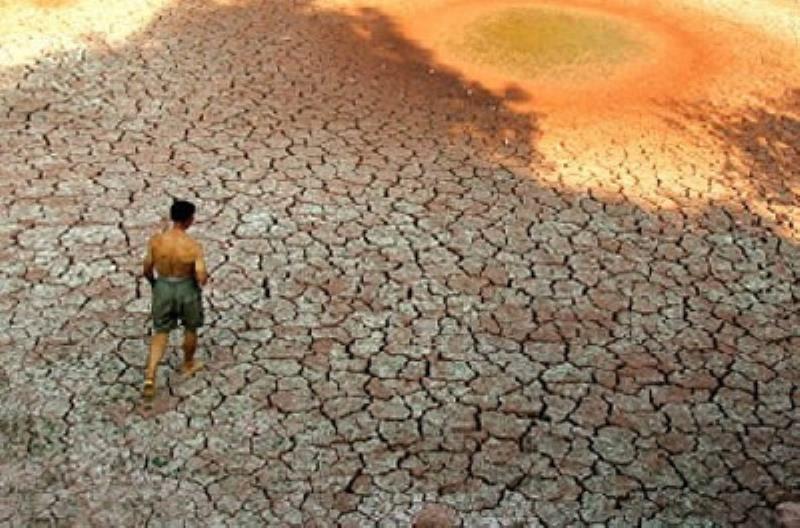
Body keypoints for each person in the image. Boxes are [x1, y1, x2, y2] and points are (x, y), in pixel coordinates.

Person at [141, 200, 208, 399]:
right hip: (185, 287)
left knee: (161, 332)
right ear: (189, 220)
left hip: (163, 286)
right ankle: (188, 363)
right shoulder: (193, 246)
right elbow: (201, 276)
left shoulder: (156, 241)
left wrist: (155, 284)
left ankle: (150, 374)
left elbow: (146, 268)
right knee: (190, 327)